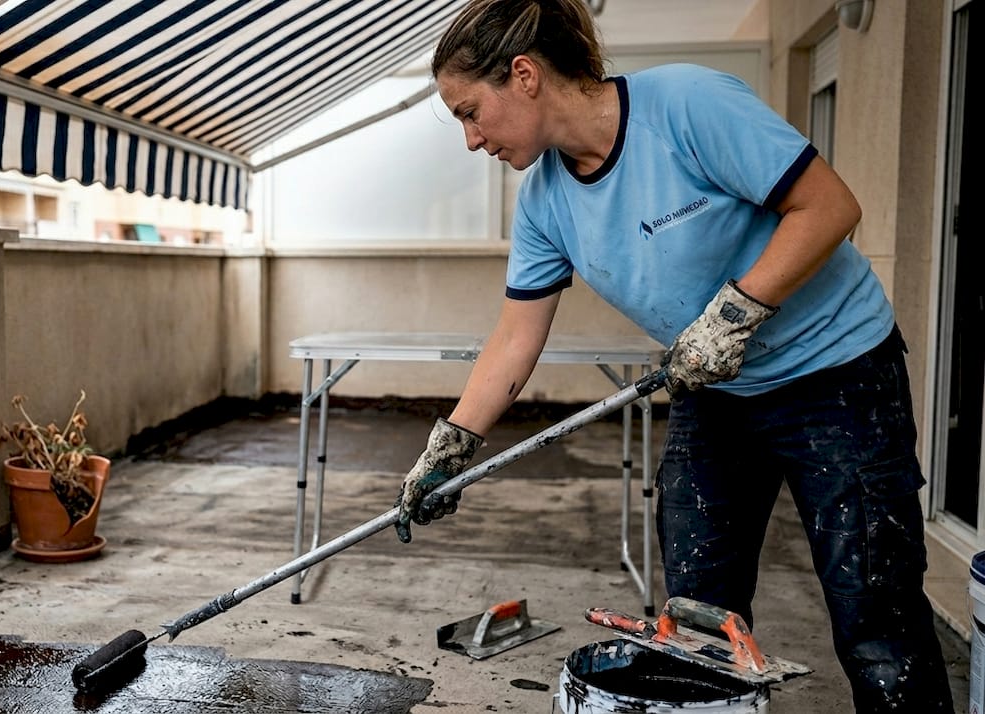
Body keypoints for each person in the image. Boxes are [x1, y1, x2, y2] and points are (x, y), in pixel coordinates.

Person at [393, 1, 954, 711]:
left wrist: (735, 312)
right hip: (719, 394)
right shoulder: (544, 202)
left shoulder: (687, 105)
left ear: (524, 76)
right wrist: (451, 445)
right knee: (695, 618)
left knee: (877, 625)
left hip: (838, 377)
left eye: (470, 112)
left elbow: (829, 208)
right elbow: (515, 336)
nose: (471, 139)